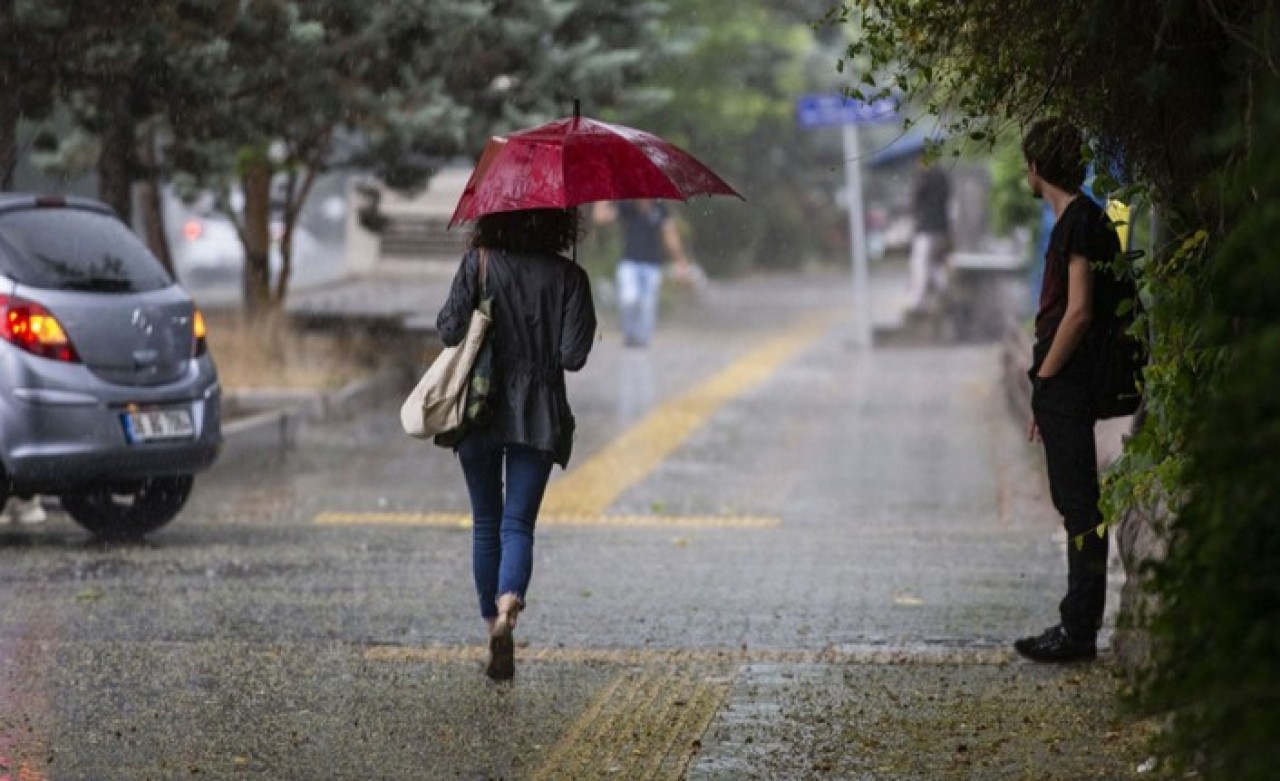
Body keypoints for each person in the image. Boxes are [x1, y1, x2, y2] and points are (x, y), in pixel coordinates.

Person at [435, 207, 596, 681]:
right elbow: (573, 356)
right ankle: (509, 604)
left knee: (486, 521)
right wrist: (570, 297)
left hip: (479, 405)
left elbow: (449, 329)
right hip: (538, 411)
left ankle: (492, 626)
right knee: (518, 524)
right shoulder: (570, 276)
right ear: (558, 223)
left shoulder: (478, 263)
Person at [1015, 117, 1122, 663]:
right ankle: (1077, 623)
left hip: (1069, 381)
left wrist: (1047, 377)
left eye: (1027, 164)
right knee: (1075, 504)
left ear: (1037, 167)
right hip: (1064, 385)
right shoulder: (1080, 220)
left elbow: (1077, 313)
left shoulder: (1079, 222)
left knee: (1080, 507)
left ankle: (1078, 630)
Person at [593, 199, 692, 347]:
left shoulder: (660, 209)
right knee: (629, 299)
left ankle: (643, 339)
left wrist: (680, 260)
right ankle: (630, 334)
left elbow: (670, 235)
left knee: (648, 305)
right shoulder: (627, 206)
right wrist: (602, 198)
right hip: (630, 261)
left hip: (652, 264)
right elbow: (601, 218)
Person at [906, 159, 952, 311]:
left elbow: (915, 202)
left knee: (920, 263)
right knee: (936, 264)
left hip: (926, 228)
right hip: (941, 228)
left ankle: (918, 300)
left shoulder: (923, 178)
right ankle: (944, 295)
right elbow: (947, 199)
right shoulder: (943, 176)